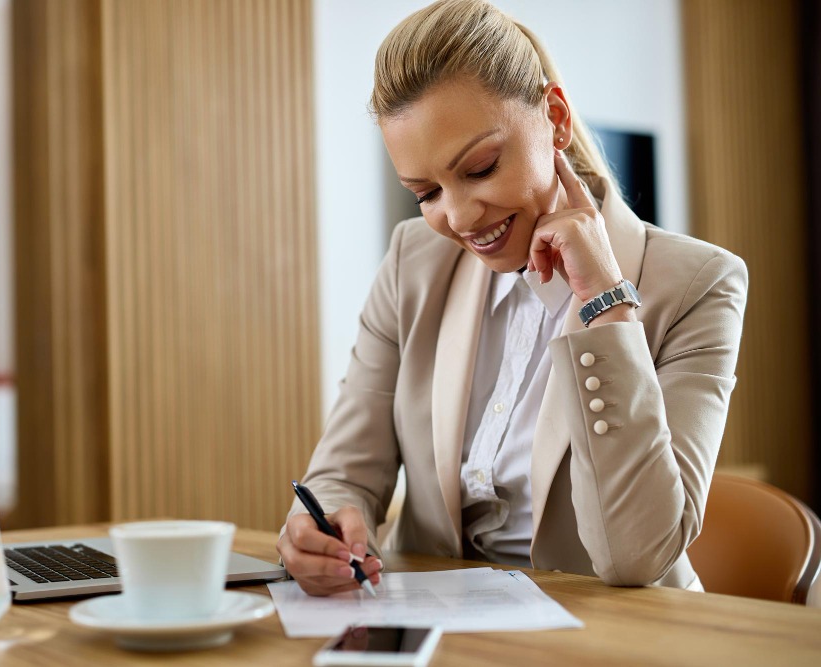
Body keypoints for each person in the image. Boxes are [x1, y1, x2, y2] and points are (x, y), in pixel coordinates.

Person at [276, 0, 747, 596]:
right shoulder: (412, 262)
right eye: (425, 192)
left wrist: (605, 304)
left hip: (618, 638)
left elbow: (638, 555)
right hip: (441, 629)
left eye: (480, 168)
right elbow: (345, 471)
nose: (458, 216)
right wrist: (321, 522)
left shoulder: (699, 284)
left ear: (554, 117)